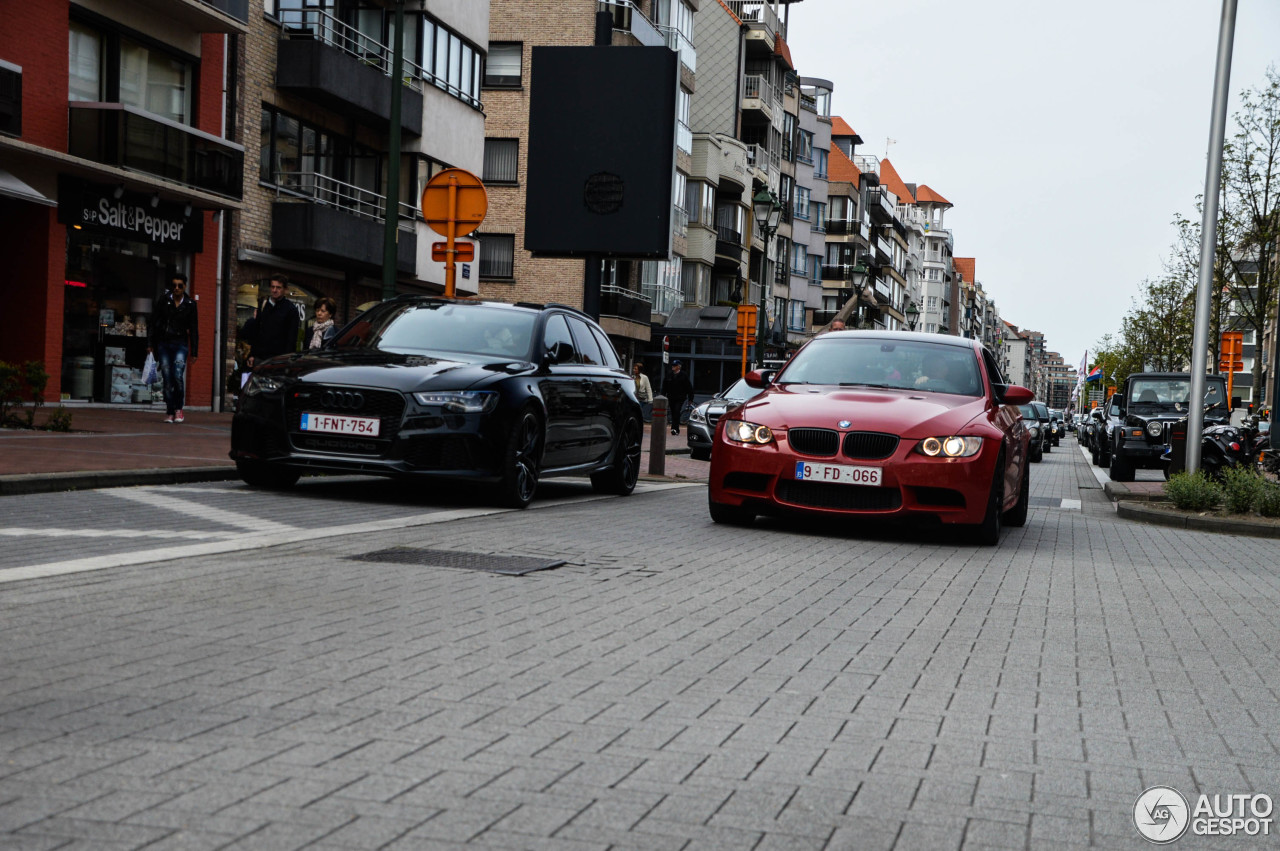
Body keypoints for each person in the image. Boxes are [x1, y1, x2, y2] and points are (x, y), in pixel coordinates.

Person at [148, 272, 198, 424]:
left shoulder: (190, 305)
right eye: (174, 285)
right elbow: (153, 322)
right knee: (167, 377)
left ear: (185, 287)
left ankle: (178, 409)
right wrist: (150, 343)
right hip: (164, 343)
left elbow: (194, 328)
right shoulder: (164, 301)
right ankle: (169, 411)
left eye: (180, 286)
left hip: (180, 344)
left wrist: (194, 351)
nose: (176, 288)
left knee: (177, 375)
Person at [246, 273, 300, 367]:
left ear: (285, 289)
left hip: (278, 360)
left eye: (278, 287)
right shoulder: (263, 305)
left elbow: (291, 339)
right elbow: (257, 330)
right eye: (272, 287)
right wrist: (252, 354)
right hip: (260, 358)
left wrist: (286, 361)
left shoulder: (291, 310)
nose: (274, 290)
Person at [665, 359, 693, 436]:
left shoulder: (684, 375)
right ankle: (674, 428)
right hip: (671, 397)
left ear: (678, 367)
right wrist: (663, 396)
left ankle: (675, 429)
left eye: (674, 366)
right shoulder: (669, 375)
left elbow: (689, 387)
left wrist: (690, 398)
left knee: (677, 411)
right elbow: (665, 386)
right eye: (672, 365)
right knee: (674, 412)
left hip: (680, 398)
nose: (673, 367)